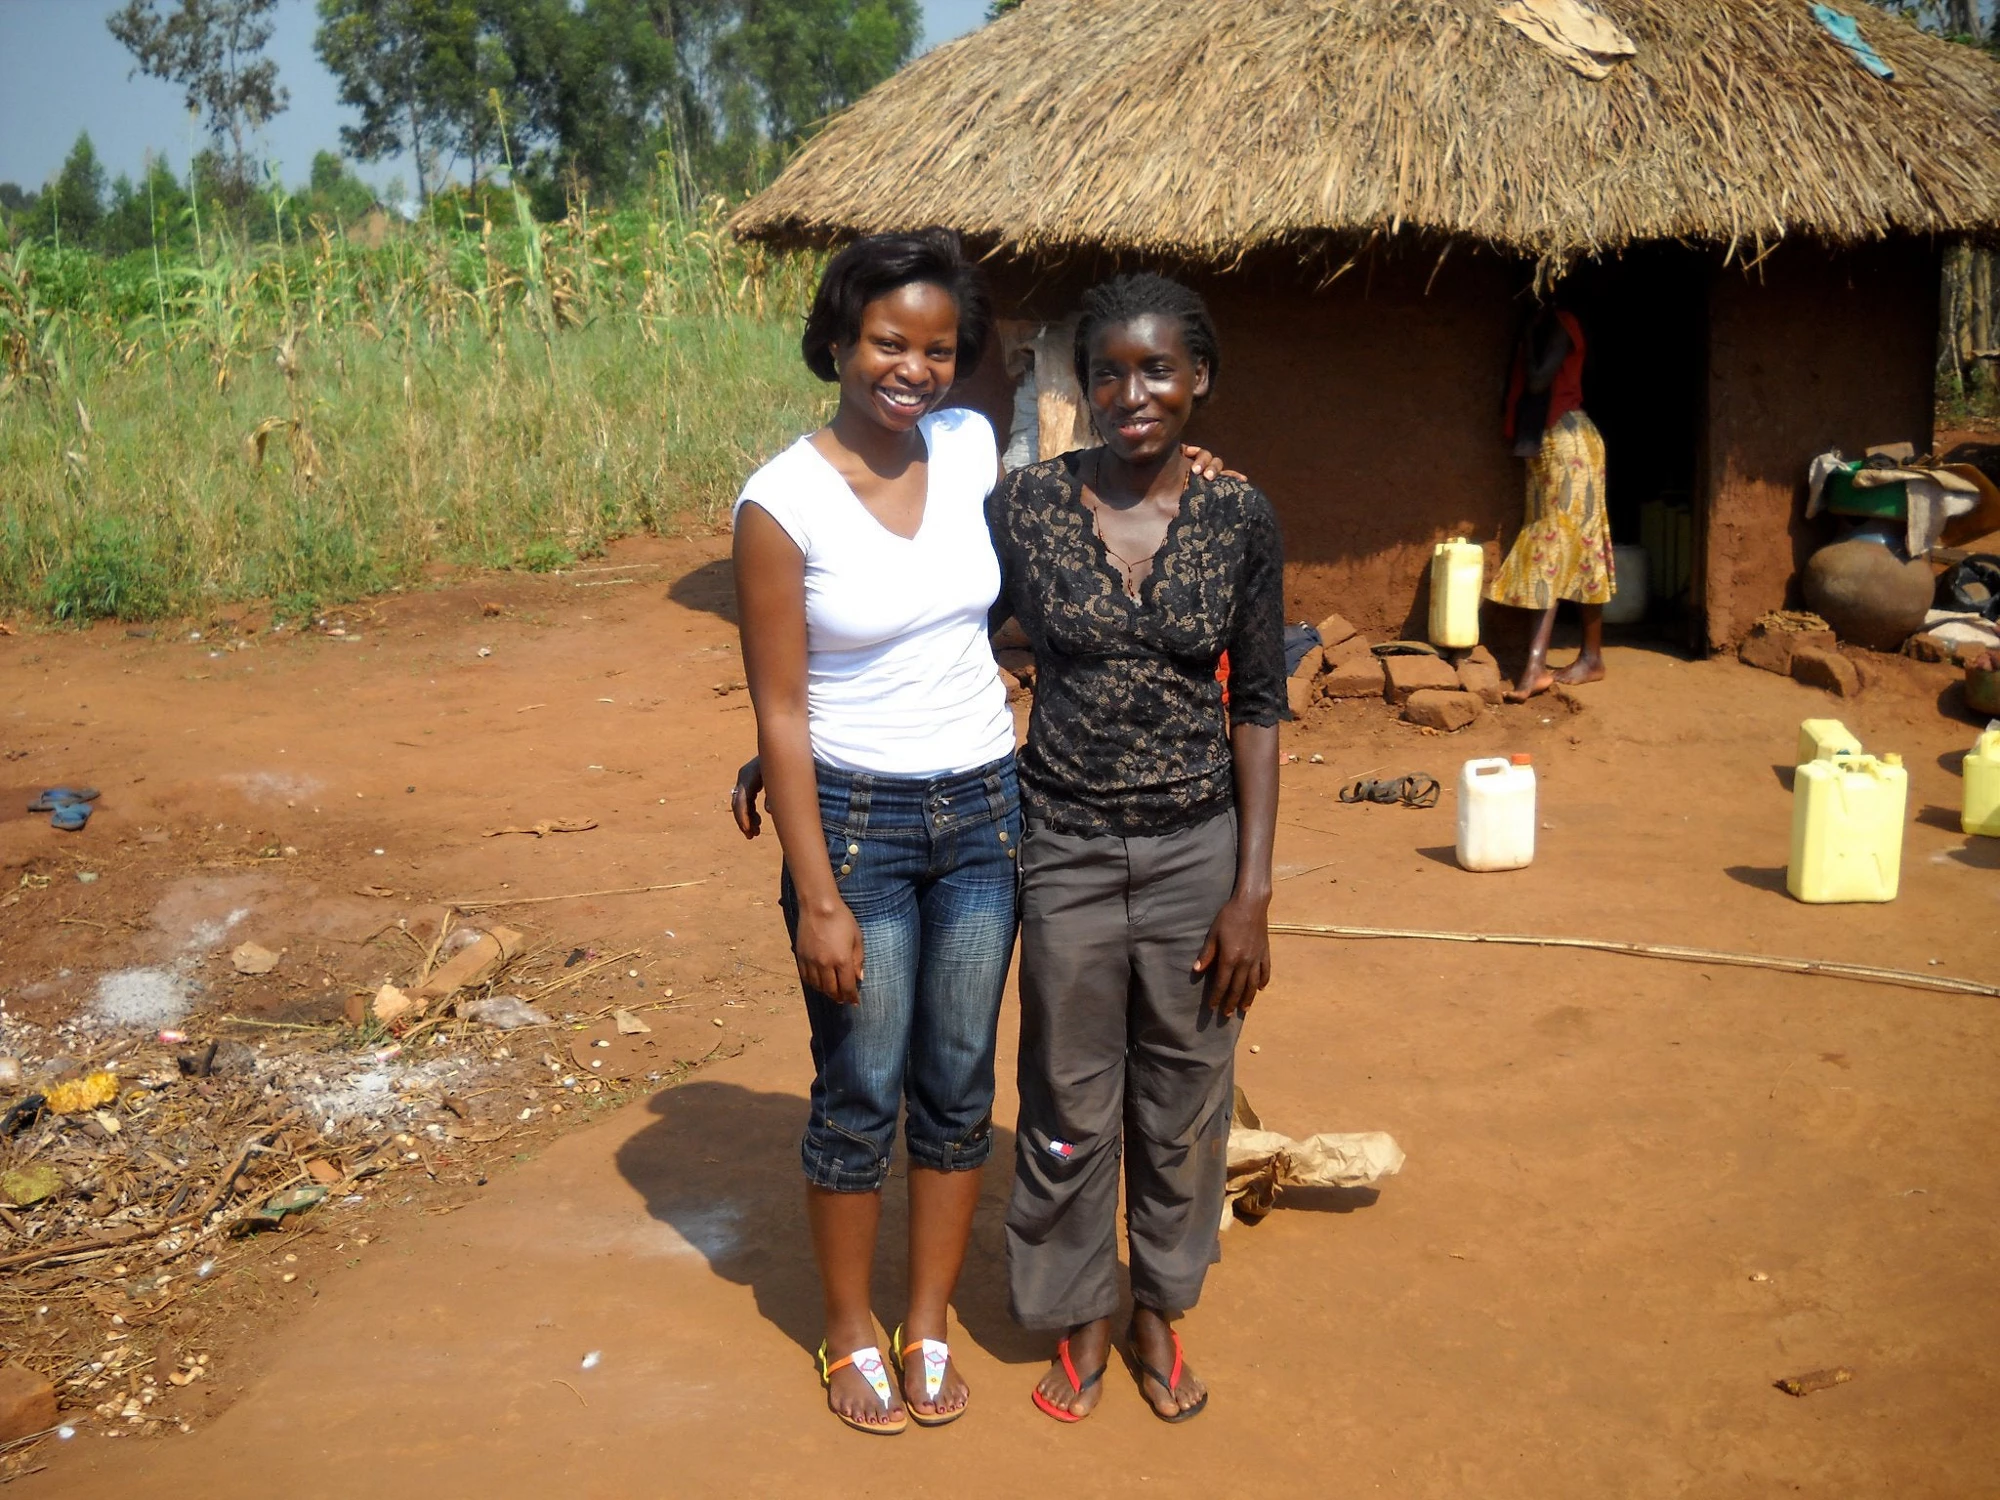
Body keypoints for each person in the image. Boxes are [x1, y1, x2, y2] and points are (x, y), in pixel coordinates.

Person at [728, 233, 1229, 1435]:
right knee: (861, 1082)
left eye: (937, 349)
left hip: (985, 806)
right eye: (887, 343)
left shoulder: (965, 449)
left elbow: (1084, 503)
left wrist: (1181, 473)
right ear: (838, 344)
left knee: (956, 1082)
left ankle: (929, 1323)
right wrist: (818, 892)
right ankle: (850, 1332)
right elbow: (782, 705)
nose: (912, 368)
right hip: (855, 826)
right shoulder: (778, 501)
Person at [989, 274, 1282, 1425]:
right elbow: (944, 628)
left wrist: (1250, 893)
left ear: (1198, 378)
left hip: (1193, 853)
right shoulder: (1022, 509)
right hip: (1059, 841)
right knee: (1064, 1093)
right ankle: (1078, 1317)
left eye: (1156, 369)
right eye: (1106, 371)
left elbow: (1257, 701)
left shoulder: (1238, 516)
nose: (1130, 393)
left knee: (1184, 1095)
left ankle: (1160, 1312)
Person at [1486, 300, 1615, 701]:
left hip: (1569, 442)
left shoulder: (1561, 323)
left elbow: (1541, 380)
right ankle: (1587, 657)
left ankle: (1537, 665)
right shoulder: (1546, 324)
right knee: (1568, 544)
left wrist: (1525, 336)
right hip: (1551, 445)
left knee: (1558, 545)